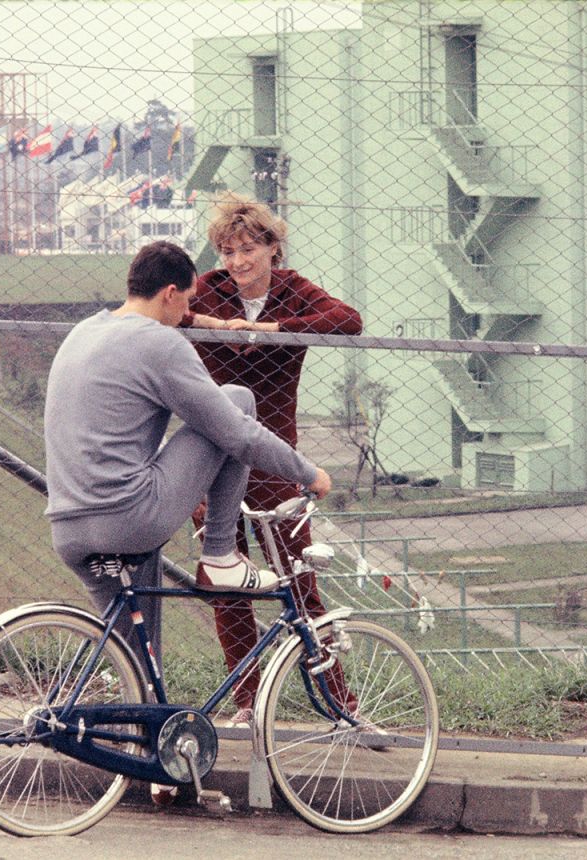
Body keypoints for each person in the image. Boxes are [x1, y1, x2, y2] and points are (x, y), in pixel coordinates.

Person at [44, 240, 332, 666]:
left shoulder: (83, 332)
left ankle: (133, 728)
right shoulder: (160, 343)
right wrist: (308, 473)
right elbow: (236, 434)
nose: (186, 316)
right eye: (188, 302)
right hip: (127, 519)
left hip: (69, 528)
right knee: (236, 400)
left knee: (137, 669)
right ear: (170, 294)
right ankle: (219, 555)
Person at [183, 192, 362, 728]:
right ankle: (246, 701)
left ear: (272, 248)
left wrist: (268, 331)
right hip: (212, 458)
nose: (237, 263)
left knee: (300, 581)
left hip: (274, 457)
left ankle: (340, 704)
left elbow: (347, 320)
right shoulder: (210, 290)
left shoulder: (293, 291)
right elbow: (162, 311)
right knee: (225, 583)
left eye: (248, 250)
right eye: (227, 251)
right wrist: (217, 327)